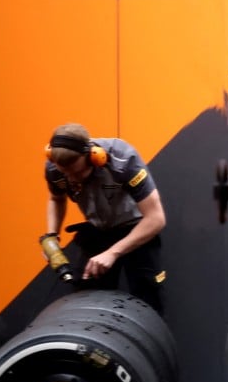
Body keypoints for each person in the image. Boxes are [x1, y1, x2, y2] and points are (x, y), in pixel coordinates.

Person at [42, 123, 167, 315]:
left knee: (147, 300)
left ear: (94, 157)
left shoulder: (123, 160)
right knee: (87, 300)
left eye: (78, 173)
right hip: (98, 230)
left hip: (137, 229)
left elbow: (156, 219)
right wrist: (52, 235)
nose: (72, 180)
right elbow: (56, 199)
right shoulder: (54, 169)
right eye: (67, 174)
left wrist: (113, 252)